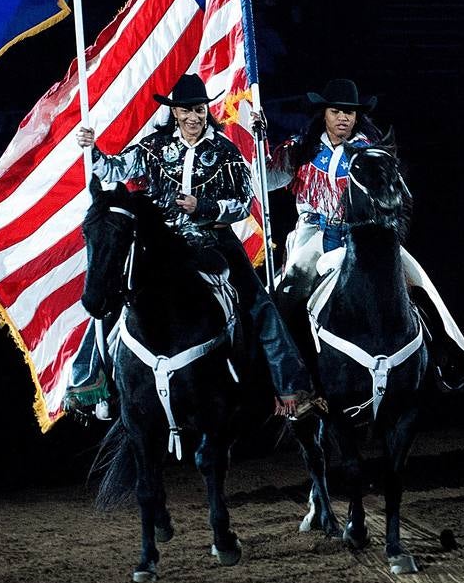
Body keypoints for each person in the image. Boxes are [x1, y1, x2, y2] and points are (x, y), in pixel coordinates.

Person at [69, 73, 316, 418]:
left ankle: (290, 385)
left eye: (199, 110)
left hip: (212, 237)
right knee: (113, 287)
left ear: (206, 110)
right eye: (186, 111)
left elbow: (243, 202)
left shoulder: (224, 151)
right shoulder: (153, 147)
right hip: (160, 239)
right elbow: (113, 169)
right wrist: (90, 149)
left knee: (259, 302)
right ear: (174, 113)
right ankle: (87, 381)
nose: (193, 117)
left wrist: (204, 207)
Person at [256, 78, 464, 391]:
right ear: (323, 114)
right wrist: (257, 141)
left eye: (350, 113)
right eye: (336, 111)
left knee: (418, 278)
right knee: (286, 291)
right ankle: (286, 377)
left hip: (364, 234)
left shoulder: (370, 152)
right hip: (313, 233)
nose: (344, 118)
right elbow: (265, 180)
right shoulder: (299, 149)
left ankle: (456, 356)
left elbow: (399, 195)